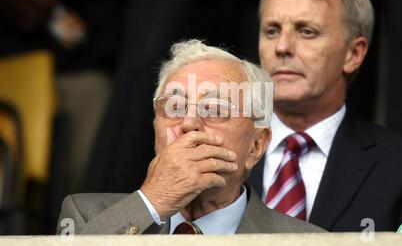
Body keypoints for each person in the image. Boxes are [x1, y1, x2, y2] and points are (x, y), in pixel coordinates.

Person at [57, 40, 324, 234]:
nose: (189, 123)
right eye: (174, 107)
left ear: (256, 145)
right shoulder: (84, 215)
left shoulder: (305, 243)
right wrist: (153, 200)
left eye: (216, 109)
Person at [248, 0, 402, 232]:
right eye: (271, 31)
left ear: (354, 54)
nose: (282, 47)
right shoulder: (217, 151)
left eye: (307, 31)